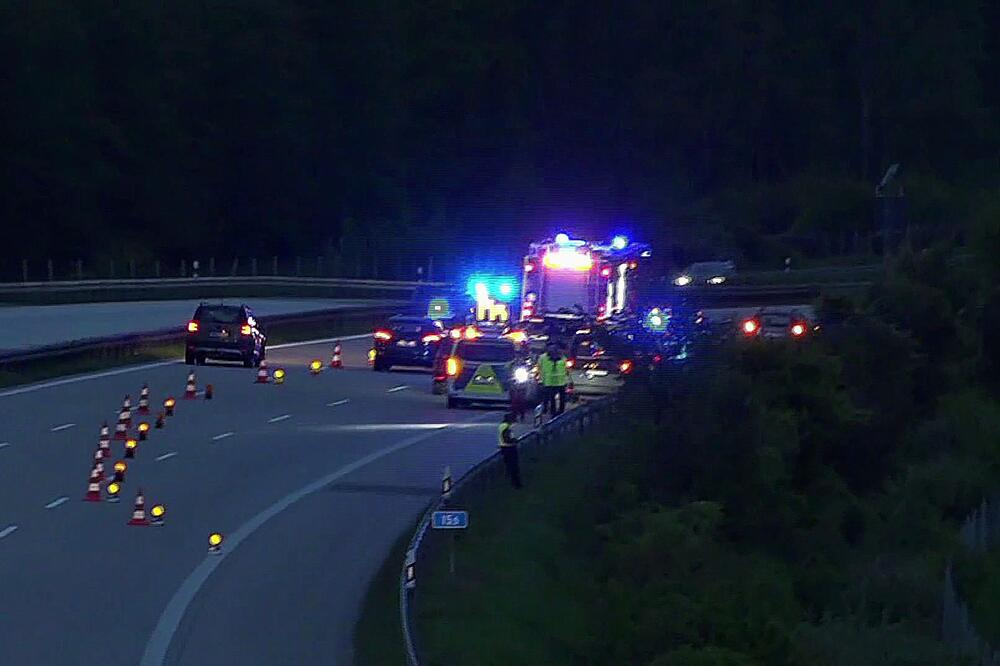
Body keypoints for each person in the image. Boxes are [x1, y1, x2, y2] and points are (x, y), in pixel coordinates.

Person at [538, 342, 569, 416]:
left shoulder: (562, 357)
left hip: (560, 382)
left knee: (562, 398)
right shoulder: (542, 358)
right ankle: (553, 412)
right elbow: (539, 369)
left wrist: (567, 380)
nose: (553, 350)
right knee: (551, 398)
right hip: (549, 382)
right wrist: (540, 380)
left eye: (554, 348)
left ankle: (561, 412)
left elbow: (566, 370)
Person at [498, 412, 522, 488]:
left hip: (505, 447)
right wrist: (514, 441)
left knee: (509, 466)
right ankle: (516, 484)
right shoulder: (506, 427)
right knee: (513, 467)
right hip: (509, 448)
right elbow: (506, 438)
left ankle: (510, 480)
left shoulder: (503, 425)